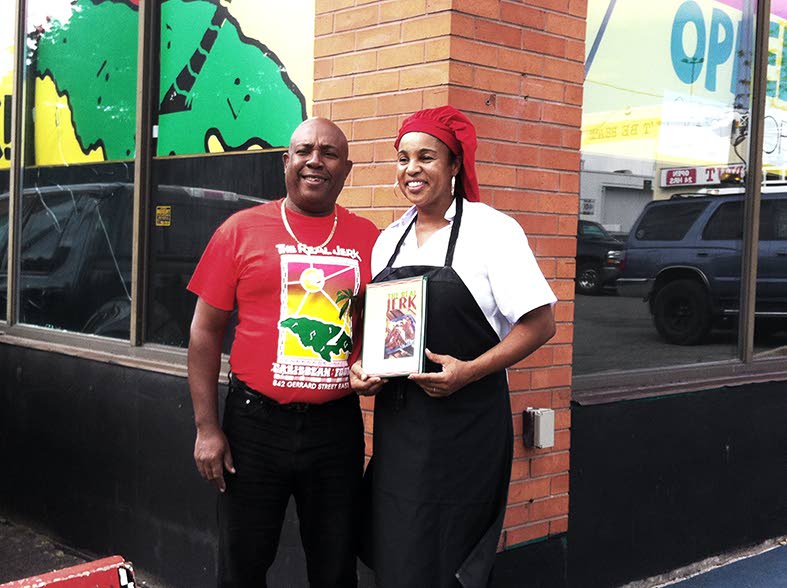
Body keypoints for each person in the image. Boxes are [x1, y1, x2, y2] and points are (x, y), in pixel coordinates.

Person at [350, 106, 557, 588]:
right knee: (397, 550)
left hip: (467, 427)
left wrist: (469, 371)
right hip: (400, 428)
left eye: (426, 156)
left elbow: (541, 323)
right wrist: (364, 368)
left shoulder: (492, 231)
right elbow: (383, 331)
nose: (411, 169)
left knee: (450, 561)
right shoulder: (389, 240)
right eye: (403, 158)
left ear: (455, 165)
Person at [187, 117, 380, 588]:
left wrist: (374, 364)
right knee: (242, 566)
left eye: (329, 153)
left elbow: (379, 328)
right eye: (304, 150)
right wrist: (207, 429)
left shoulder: (371, 239)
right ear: (286, 162)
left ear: (347, 169)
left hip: (335, 430)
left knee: (335, 569)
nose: (316, 160)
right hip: (254, 429)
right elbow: (204, 334)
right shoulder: (240, 229)